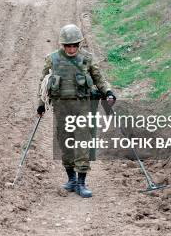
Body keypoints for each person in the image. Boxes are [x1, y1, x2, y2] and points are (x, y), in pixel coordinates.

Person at [37, 24, 116, 198]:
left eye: (75, 45)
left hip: (83, 107)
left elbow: (99, 79)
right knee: (66, 145)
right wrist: (41, 103)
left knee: (82, 143)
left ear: (79, 44)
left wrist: (108, 92)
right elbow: (43, 82)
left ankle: (81, 182)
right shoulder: (52, 59)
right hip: (62, 108)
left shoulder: (87, 59)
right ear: (62, 45)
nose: (71, 49)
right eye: (68, 45)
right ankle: (71, 179)